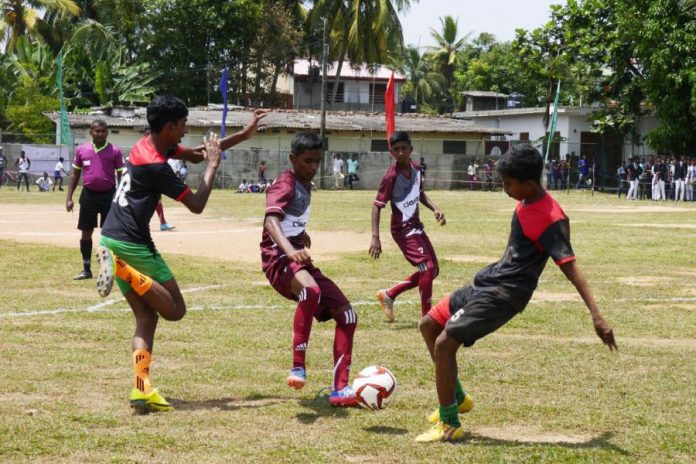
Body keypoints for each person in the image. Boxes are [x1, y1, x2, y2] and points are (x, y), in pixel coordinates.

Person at [415, 144, 617, 443]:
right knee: (429, 325)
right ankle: (456, 397)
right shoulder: (525, 198)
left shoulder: (552, 219)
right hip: (490, 280)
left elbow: (571, 269)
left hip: (505, 295)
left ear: (529, 184)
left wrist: (597, 315)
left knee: (445, 344)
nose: (504, 188)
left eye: (508, 184)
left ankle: (449, 423)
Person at [95, 96, 268, 413]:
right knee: (175, 310)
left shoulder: (150, 144)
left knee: (146, 317)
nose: (186, 131)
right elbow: (198, 203)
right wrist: (215, 165)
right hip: (131, 245)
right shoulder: (157, 166)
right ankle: (121, 270)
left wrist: (244, 134)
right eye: (183, 125)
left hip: (109, 237)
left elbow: (199, 154)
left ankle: (141, 389)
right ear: (170, 126)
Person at [261, 132, 358, 407]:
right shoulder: (285, 185)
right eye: (307, 161)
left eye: (317, 161)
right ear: (293, 159)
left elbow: (290, 219)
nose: (313, 167)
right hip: (278, 258)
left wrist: (300, 234)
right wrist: (290, 249)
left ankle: (340, 389)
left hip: (297, 257)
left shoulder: (306, 184)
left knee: (348, 315)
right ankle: (298, 366)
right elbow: (271, 220)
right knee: (311, 290)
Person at [370, 131, 446, 322]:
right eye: (396, 150)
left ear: (411, 149)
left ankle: (390, 294)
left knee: (433, 269)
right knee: (427, 268)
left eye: (404, 148)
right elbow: (377, 206)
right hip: (402, 230)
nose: (401, 152)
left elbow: (420, 194)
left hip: (416, 226)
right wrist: (375, 237)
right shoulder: (391, 177)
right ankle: (427, 318)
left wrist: (435, 208)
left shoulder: (417, 169)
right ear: (391, 152)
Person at [66, 120, 125, 280]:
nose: (100, 133)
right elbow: (75, 175)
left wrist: (123, 196)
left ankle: (110, 269)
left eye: (103, 131)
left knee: (110, 235)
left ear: (107, 132)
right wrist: (69, 198)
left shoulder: (115, 151)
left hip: (109, 195)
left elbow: (122, 175)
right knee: (86, 233)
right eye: (97, 131)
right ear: (91, 132)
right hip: (88, 196)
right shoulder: (82, 150)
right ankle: (86, 269)